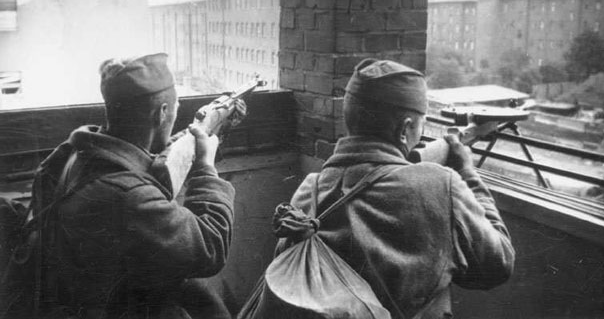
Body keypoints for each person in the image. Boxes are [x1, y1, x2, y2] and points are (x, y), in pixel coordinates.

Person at [276, 58, 515, 319]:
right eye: (419, 126)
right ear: (405, 130)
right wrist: (467, 173)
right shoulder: (441, 184)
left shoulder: (308, 191)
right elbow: (497, 264)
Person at [37, 53, 237, 319]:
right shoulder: (128, 195)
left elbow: (143, 160)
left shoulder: (72, 155)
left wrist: (212, 130)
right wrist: (206, 167)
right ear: (162, 113)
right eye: (175, 107)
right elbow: (211, 247)